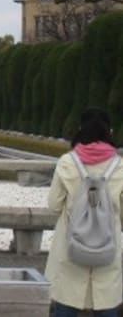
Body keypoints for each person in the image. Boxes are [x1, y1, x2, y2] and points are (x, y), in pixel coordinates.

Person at [46, 107, 123, 317]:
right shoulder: (120, 167)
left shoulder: (66, 162)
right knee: (107, 305)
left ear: (80, 129)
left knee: (64, 303)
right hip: (107, 255)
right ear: (110, 132)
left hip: (71, 252)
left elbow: (53, 206)